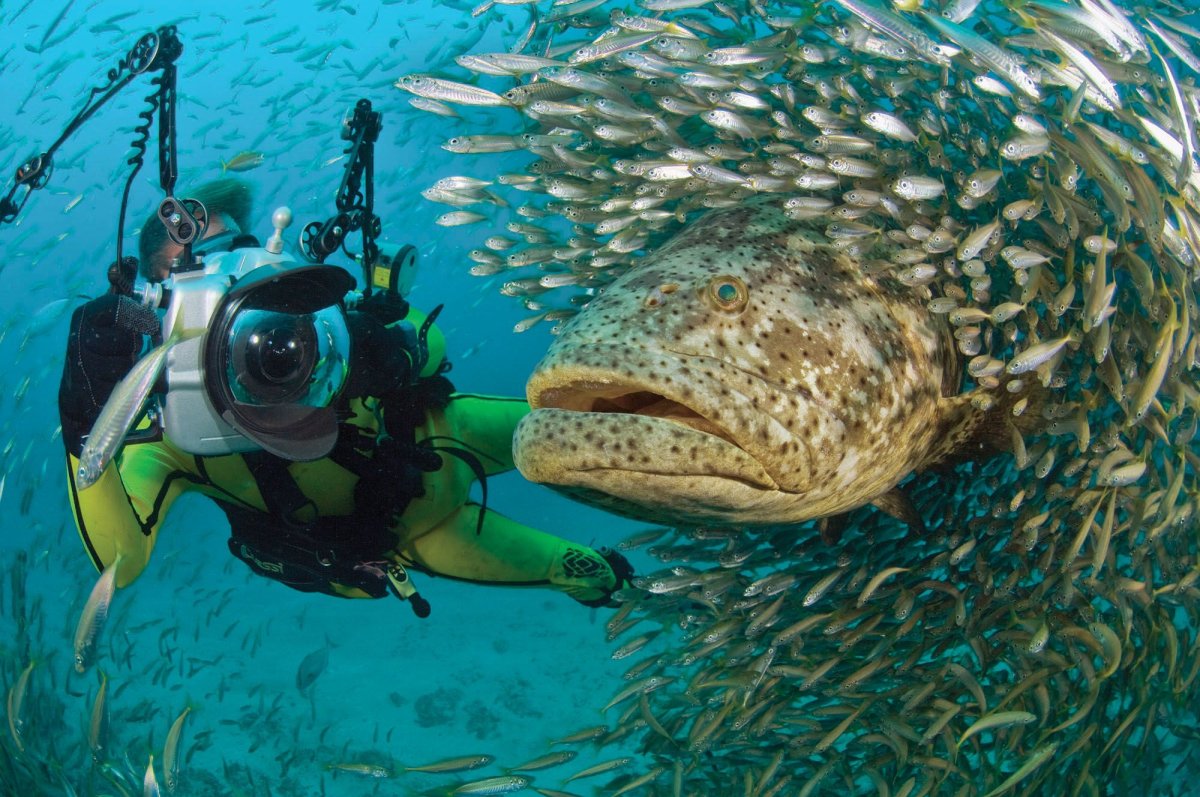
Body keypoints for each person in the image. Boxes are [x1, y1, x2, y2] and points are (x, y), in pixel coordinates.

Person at [58, 177, 633, 613]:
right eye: (203, 269)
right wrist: (88, 429)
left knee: (616, 431)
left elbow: (429, 336)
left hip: (454, 429)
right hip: (417, 535)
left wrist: (393, 348)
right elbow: (119, 562)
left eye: (243, 250)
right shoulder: (171, 434)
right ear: (158, 300)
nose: (232, 274)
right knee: (588, 573)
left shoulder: (318, 318)